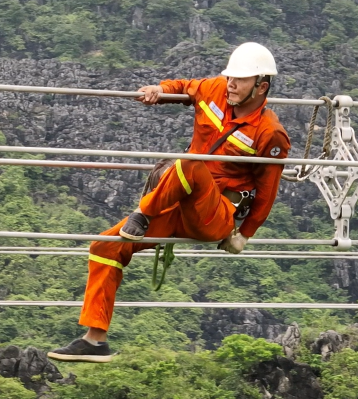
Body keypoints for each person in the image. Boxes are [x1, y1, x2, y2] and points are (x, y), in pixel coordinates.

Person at [48, 42, 291, 362]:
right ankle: (95, 340)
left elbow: (268, 189)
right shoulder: (216, 89)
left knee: (190, 162)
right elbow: (185, 86)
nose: (231, 84)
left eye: (240, 80)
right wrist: (159, 90)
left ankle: (142, 213)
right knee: (105, 247)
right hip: (181, 201)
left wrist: (245, 234)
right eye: (230, 77)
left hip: (217, 214)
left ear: (261, 86)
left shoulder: (270, 133)